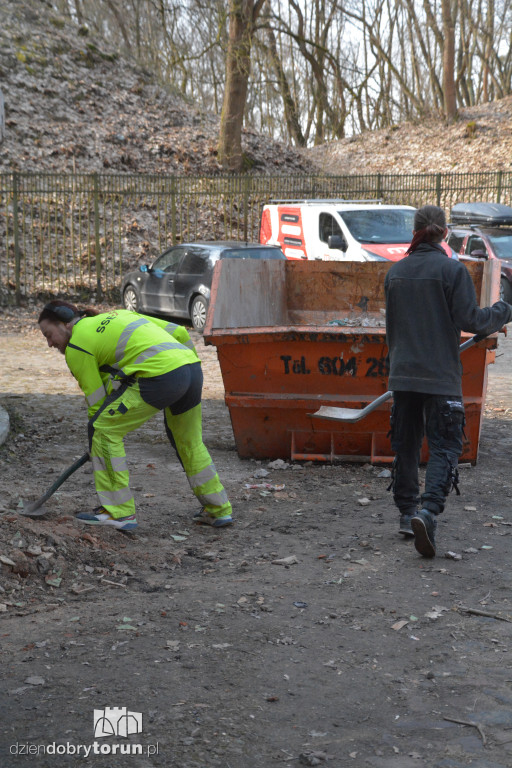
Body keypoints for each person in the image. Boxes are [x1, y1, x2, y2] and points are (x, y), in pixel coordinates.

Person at [38, 300, 233, 531]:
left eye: (48, 335)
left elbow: (97, 403)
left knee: (103, 430)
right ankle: (218, 509)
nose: (50, 343)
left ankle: (118, 513)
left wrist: (96, 443)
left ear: (65, 324)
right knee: (189, 441)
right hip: (190, 367)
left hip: (160, 375)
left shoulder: (77, 346)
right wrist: (184, 365)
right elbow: (179, 332)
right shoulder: (118, 315)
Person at [384, 205, 511, 557]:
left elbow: (392, 328)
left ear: (415, 231)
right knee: (444, 446)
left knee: (406, 445)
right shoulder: (452, 271)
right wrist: (504, 310)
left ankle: (406, 513)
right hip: (440, 376)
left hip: (403, 375)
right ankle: (427, 513)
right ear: (443, 233)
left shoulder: (395, 273)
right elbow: (473, 320)